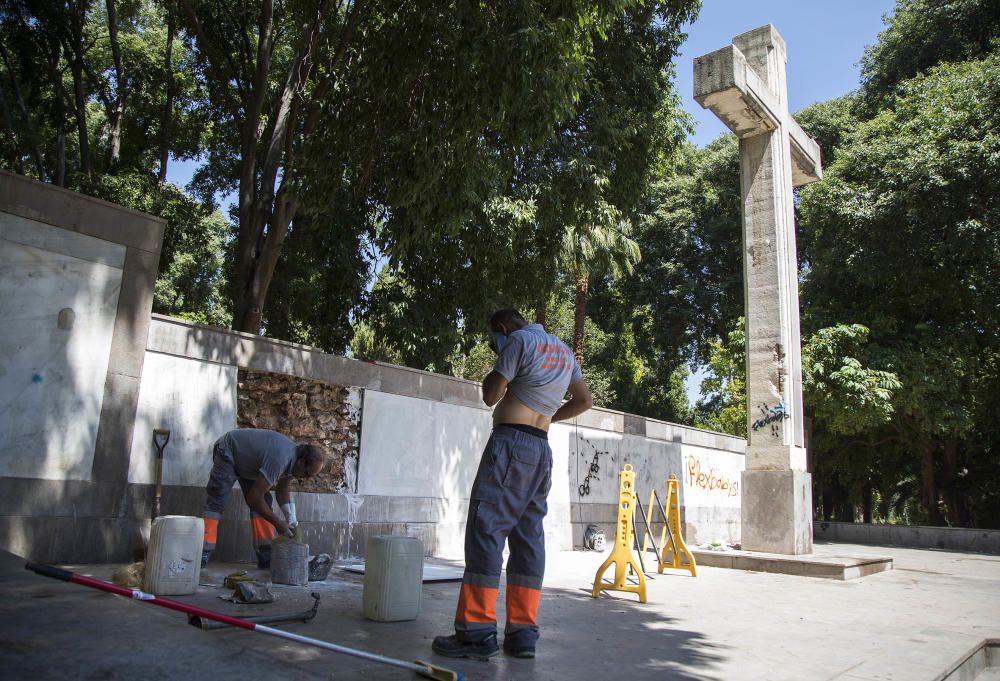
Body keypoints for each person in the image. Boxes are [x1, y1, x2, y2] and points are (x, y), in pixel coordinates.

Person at [432, 309, 593, 660]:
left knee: (486, 532)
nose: (495, 345)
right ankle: (522, 634)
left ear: (502, 329)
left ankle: (476, 632)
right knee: (528, 539)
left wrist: (497, 368)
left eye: (494, 340)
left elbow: (492, 395)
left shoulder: (519, 340)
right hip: (541, 449)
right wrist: (550, 415)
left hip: (510, 445)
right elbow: (584, 401)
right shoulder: (564, 351)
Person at [201, 428, 324, 568]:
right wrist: (279, 524)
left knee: (264, 503)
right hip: (228, 450)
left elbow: (282, 490)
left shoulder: (294, 462)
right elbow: (253, 499)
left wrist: (291, 518)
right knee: (218, 499)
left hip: (247, 463)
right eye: (307, 474)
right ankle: (203, 551)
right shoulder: (280, 459)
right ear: (301, 462)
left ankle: (266, 557)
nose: (305, 478)